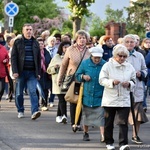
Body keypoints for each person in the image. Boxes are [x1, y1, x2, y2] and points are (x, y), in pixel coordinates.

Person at [99, 44, 136, 150]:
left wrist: (129, 84)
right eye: (120, 56)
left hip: (124, 98)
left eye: (124, 56)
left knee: (123, 122)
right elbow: (101, 80)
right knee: (109, 122)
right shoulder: (107, 65)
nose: (122, 58)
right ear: (115, 55)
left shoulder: (129, 66)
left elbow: (134, 80)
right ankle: (109, 142)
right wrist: (112, 82)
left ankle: (123, 144)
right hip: (110, 98)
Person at [57, 29, 90, 132]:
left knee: (82, 101)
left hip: (85, 80)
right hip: (74, 79)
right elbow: (63, 64)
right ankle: (74, 123)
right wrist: (60, 78)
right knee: (74, 101)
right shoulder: (70, 49)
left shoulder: (89, 51)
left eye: (84, 38)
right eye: (80, 38)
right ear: (76, 39)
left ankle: (78, 122)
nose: (82, 40)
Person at [11, 23, 41, 120]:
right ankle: (20, 110)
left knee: (33, 91)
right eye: (27, 29)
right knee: (19, 93)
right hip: (21, 72)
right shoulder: (18, 42)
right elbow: (13, 58)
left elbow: (38, 59)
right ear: (23, 31)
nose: (29, 31)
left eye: (30, 29)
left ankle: (34, 112)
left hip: (32, 72)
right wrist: (15, 71)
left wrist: (38, 72)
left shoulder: (35, 43)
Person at [75, 46, 106, 142]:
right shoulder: (85, 64)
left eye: (99, 58)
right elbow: (77, 75)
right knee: (86, 115)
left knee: (101, 116)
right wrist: (83, 76)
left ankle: (103, 135)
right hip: (87, 94)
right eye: (95, 57)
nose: (97, 59)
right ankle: (85, 132)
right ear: (91, 56)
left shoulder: (105, 64)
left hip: (100, 94)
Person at [123, 34, 148, 144]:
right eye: (127, 42)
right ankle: (122, 138)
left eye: (131, 42)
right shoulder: (120, 54)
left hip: (137, 88)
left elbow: (145, 69)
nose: (129, 44)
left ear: (135, 43)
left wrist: (141, 73)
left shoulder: (139, 55)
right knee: (123, 116)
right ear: (124, 43)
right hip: (123, 89)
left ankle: (135, 135)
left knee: (137, 114)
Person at [47, 41, 71, 123]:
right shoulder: (56, 57)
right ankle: (64, 115)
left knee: (64, 99)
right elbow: (49, 70)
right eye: (65, 47)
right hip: (58, 81)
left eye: (68, 47)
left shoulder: (72, 57)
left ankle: (58, 115)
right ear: (61, 48)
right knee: (61, 99)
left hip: (68, 81)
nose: (66, 49)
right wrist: (56, 68)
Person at [37, 38, 51, 111]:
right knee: (36, 90)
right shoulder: (34, 52)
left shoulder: (46, 52)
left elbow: (50, 61)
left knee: (45, 89)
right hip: (37, 73)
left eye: (42, 44)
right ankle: (36, 104)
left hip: (45, 73)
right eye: (39, 44)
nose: (40, 45)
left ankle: (44, 104)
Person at [45, 36, 58, 107]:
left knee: (53, 86)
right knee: (46, 86)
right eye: (51, 41)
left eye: (54, 41)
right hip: (46, 69)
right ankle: (45, 100)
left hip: (54, 69)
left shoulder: (57, 50)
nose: (52, 43)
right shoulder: (45, 50)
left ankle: (51, 100)